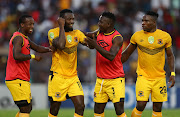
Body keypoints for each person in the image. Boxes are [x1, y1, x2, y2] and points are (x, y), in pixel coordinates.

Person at [121, 11, 175, 117]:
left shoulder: (165, 36)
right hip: (143, 76)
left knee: (158, 107)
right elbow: (126, 54)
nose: (143, 23)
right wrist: (114, 64)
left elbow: (170, 55)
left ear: (154, 23)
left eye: (146, 21)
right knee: (141, 104)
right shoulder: (137, 36)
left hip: (159, 78)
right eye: (142, 21)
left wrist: (172, 73)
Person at [5, 15, 52, 117]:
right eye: (29, 24)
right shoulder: (18, 38)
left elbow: (37, 47)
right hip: (16, 78)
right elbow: (16, 56)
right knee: (25, 107)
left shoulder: (24, 38)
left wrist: (51, 49)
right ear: (22, 25)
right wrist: (33, 56)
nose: (32, 26)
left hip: (22, 78)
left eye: (33, 24)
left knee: (28, 107)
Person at [84, 12, 127, 117]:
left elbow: (111, 56)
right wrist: (73, 32)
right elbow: (86, 34)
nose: (98, 24)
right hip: (101, 80)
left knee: (119, 110)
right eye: (99, 21)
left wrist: (95, 45)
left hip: (115, 79)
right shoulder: (99, 33)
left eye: (101, 22)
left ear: (109, 24)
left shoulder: (117, 38)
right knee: (98, 110)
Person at [47, 9, 87, 117]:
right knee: (55, 108)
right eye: (69, 19)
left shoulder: (76, 33)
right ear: (61, 20)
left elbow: (88, 41)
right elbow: (61, 45)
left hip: (73, 77)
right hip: (58, 77)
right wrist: (61, 27)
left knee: (80, 106)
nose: (72, 21)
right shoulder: (52, 32)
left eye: (73, 19)